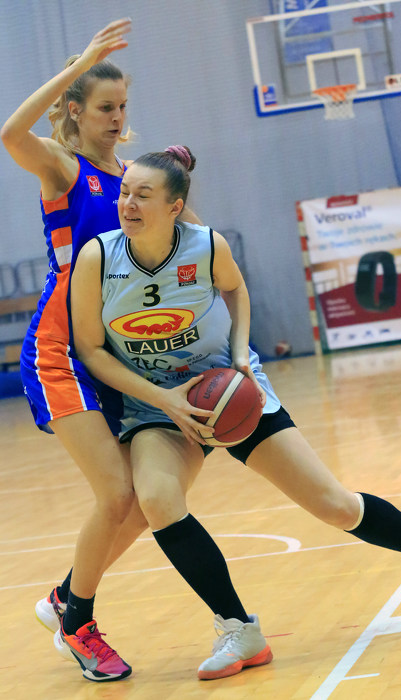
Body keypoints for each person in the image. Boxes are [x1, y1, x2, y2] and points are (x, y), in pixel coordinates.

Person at [69, 146, 401, 680]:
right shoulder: (97, 258)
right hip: (158, 403)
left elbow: (236, 291)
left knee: (336, 507)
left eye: (143, 195)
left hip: (229, 390)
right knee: (159, 500)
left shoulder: (206, 245)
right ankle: (240, 630)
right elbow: (90, 349)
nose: (127, 204)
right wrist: (163, 399)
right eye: (124, 193)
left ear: (175, 206)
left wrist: (239, 356)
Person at [0, 18, 207, 683]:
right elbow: (9, 135)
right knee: (115, 493)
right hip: (60, 349)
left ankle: (66, 597)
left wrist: (176, 188)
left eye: (122, 106)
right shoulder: (63, 167)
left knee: (146, 499)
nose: (117, 118)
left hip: (115, 351)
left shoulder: (134, 178)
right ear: (74, 110)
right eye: (104, 107)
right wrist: (77, 64)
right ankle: (78, 624)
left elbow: (192, 244)